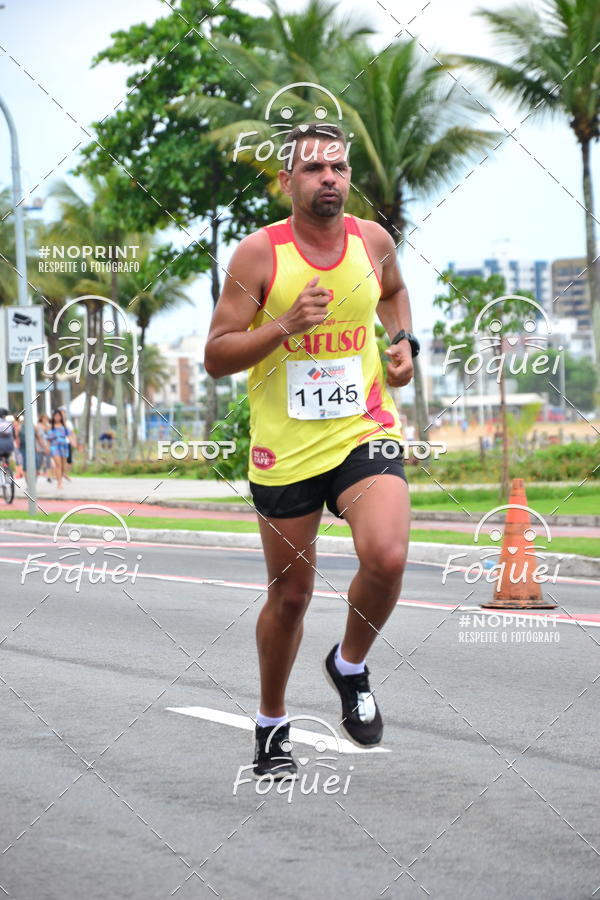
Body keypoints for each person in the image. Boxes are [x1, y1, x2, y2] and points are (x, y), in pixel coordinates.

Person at [204, 123, 418, 778]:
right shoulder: (258, 257)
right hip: (286, 449)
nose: (329, 178)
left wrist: (405, 342)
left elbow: (394, 294)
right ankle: (272, 725)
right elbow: (216, 356)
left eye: (339, 168)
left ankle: (350, 664)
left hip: (362, 428)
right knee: (290, 597)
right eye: (314, 169)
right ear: (287, 182)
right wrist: (285, 324)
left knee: (387, 554)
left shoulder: (372, 241)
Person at [47, 409, 72, 489]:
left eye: (59, 416)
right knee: (58, 465)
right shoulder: (51, 426)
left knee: (63, 466)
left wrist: (75, 444)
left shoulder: (64, 426)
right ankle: (59, 483)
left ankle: (60, 479)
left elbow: (70, 435)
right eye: (56, 416)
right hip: (54, 446)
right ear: (53, 417)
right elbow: (48, 439)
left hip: (64, 446)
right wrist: (47, 448)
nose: (57, 417)